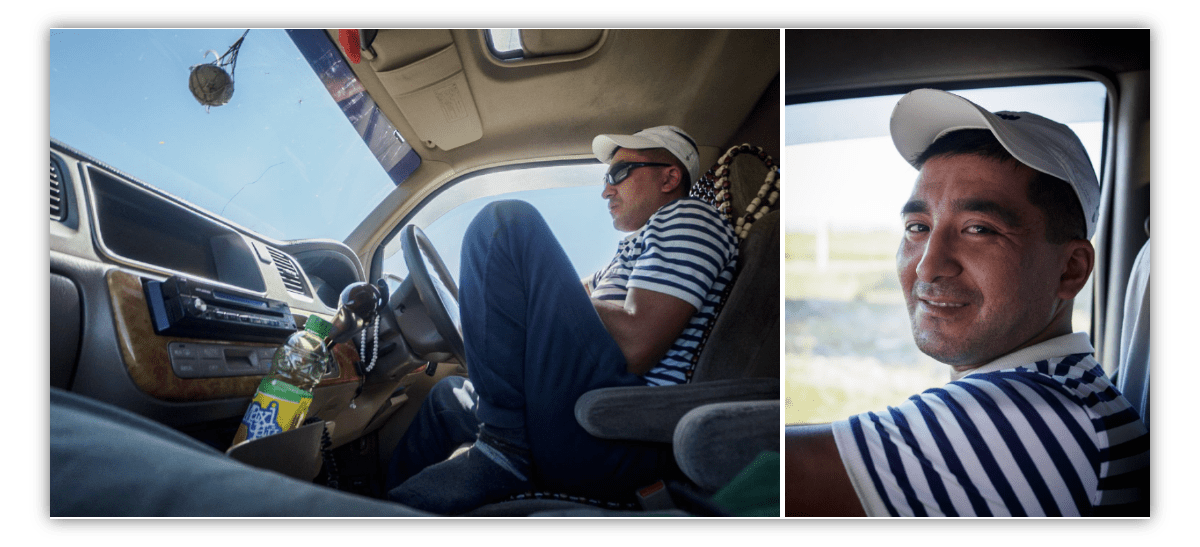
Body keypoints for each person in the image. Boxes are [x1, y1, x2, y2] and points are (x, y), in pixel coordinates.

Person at [784, 89, 1150, 517]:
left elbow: (773, 474)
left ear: (1070, 269)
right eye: (918, 226)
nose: (927, 267)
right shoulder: (1070, 390)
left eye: (979, 229)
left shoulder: (1033, 417)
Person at [386, 126, 739, 514]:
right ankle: (359, 503)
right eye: (607, 178)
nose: (607, 189)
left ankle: (504, 449)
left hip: (615, 426)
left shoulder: (689, 218)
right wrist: (536, 297)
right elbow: (573, 298)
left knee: (504, 225)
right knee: (447, 398)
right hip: (578, 405)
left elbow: (638, 343)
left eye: (619, 173)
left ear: (670, 177)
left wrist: (542, 294)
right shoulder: (630, 251)